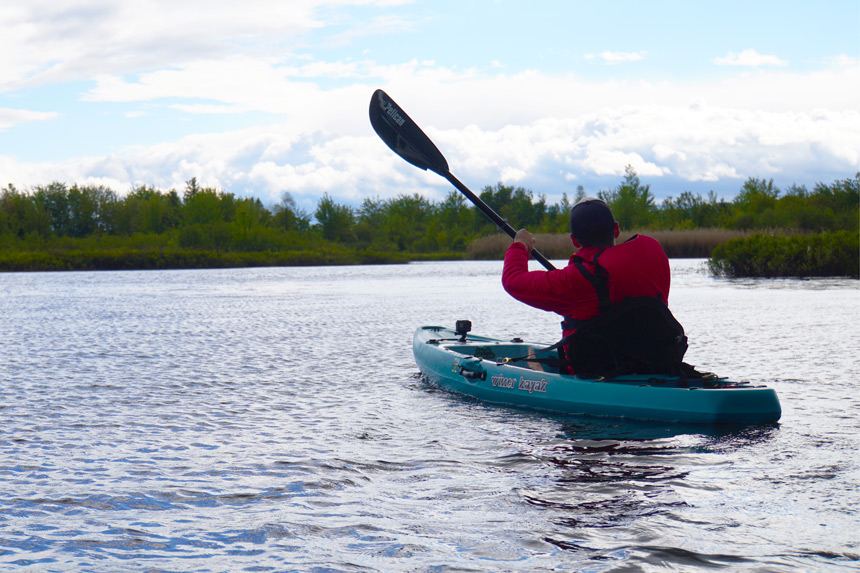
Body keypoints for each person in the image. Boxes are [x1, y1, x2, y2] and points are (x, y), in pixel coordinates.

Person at [502, 197, 673, 374]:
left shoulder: (575, 280)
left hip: (600, 373)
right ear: (616, 229)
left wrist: (519, 245)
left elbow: (512, 280)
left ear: (575, 241)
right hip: (658, 365)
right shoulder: (653, 252)